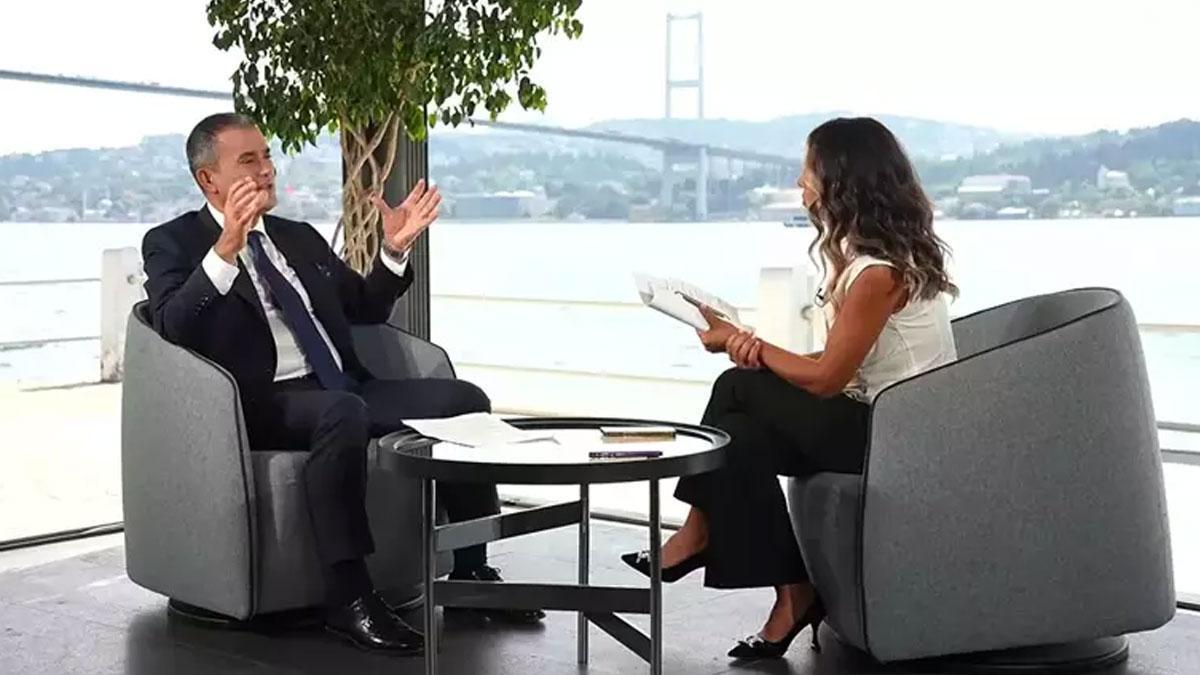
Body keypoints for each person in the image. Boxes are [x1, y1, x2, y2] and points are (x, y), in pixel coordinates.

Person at [141, 112, 543, 655]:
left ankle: (472, 574)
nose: (266, 170)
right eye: (248, 160)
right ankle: (349, 597)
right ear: (208, 180)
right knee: (342, 412)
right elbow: (172, 326)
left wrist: (393, 251)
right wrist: (227, 247)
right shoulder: (173, 241)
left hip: (343, 387)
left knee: (464, 400)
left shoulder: (298, 238)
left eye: (267, 156)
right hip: (256, 403)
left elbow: (365, 307)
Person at [621, 117, 959, 660]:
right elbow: (835, 362)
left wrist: (749, 349)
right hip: (874, 422)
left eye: (809, 169)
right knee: (739, 435)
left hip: (897, 437)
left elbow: (826, 379)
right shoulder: (871, 261)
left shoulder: (879, 273)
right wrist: (748, 346)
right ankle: (792, 592)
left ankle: (698, 532)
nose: (801, 181)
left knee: (736, 385)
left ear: (841, 179)